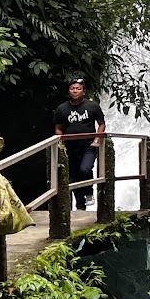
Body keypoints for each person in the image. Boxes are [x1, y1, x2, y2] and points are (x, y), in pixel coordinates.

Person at [53, 78, 106, 210]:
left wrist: (97, 139)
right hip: (71, 147)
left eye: (78, 89)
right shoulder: (62, 108)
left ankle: (89, 193)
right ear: (69, 91)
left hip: (89, 146)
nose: (75, 91)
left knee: (85, 169)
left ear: (84, 92)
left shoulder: (92, 106)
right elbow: (59, 127)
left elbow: (101, 124)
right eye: (72, 89)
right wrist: (60, 142)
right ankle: (80, 205)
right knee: (74, 176)